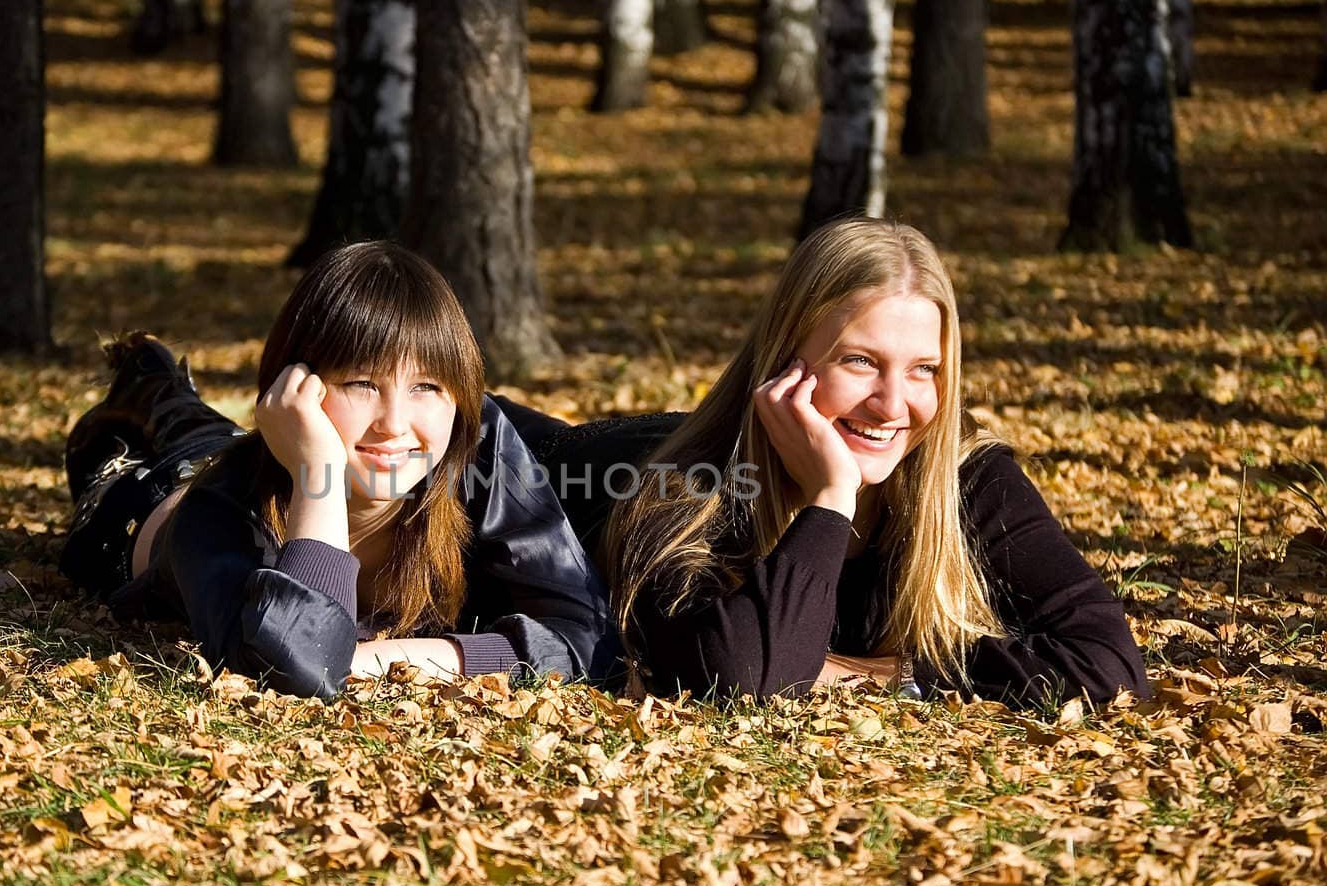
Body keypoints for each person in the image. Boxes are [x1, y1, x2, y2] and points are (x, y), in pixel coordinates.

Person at [498, 218, 1150, 707]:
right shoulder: (689, 487)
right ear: (785, 360)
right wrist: (830, 498)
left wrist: (896, 674)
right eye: (860, 361)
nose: (893, 404)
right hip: (530, 469)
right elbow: (741, 682)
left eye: (923, 369)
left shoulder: (965, 476)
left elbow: (1110, 666)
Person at [61, 241, 617, 700]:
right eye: (362, 383)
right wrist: (319, 473)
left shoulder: (478, 444)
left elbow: (585, 638)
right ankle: (153, 384)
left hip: (265, 451)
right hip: (150, 502)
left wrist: (381, 660)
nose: (395, 423)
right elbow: (298, 670)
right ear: (295, 385)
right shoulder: (222, 509)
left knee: (213, 433)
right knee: (175, 438)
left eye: (426, 386)